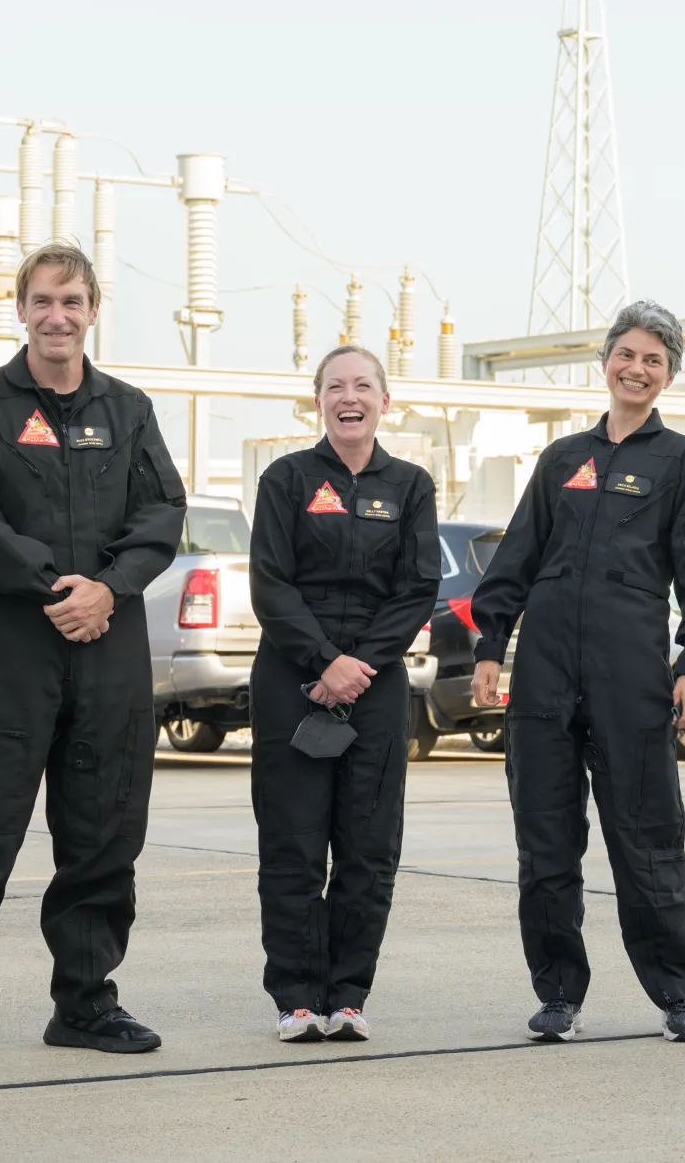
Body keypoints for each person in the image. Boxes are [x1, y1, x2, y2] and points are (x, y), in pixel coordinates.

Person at [0, 242, 187, 1069]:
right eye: (42, 300)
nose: (57, 315)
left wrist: (108, 588)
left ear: (92, 311)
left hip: (109, 651)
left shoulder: (128, 410)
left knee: (102, 834)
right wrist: (55, 587)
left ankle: (87, 1002)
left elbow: (162, 511)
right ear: (20, 309)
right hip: (11, 651)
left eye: (73, 301)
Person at [468, 300, 685, 1045]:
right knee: (546, 846)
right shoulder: (562, 461)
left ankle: (677, 993)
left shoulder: (683, 462)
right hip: (546, 679)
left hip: (631, 681)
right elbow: (517, 557)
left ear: (669, 375)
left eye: (654, 359)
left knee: (646, 839)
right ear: (606, 361)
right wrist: (492, 645)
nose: (637, 369)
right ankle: (557, 993)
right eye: (627, 354)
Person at [248, 345, 440, 1043]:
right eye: (335, 386)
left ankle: (348, 994)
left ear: (385, 402)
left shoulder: (412, 485)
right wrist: (324, 661)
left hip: (377, 685)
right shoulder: (287, 479)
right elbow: (271, 583)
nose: (348, 396)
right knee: (293, 843)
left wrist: (358, 662)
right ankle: (296, 995)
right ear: (318, 401)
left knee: (368, 844)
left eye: (363, 385)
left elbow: (417, 587)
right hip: (292, 682)